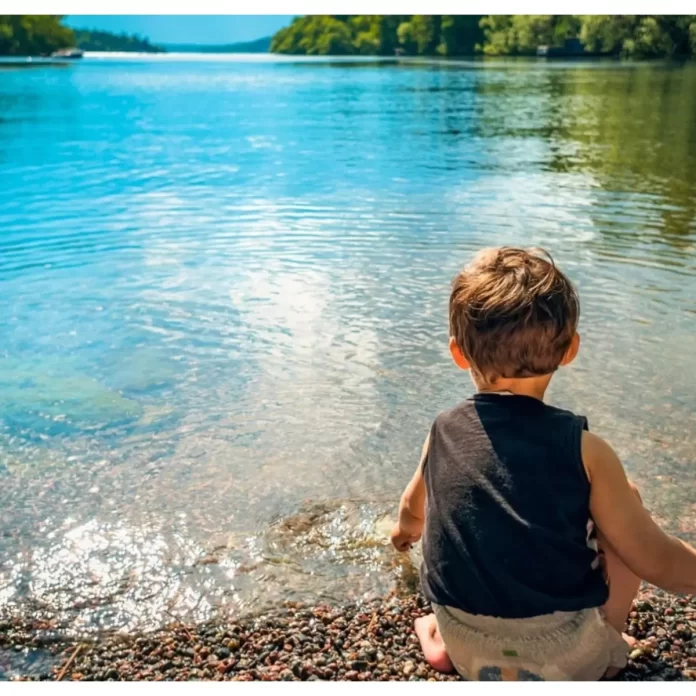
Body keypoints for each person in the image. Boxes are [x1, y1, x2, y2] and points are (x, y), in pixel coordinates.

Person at [390, 247, 696, 681]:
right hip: (567, 660)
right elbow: (656, 561)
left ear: (458, 353)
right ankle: (609, 644)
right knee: (626, 501)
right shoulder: (587, 450)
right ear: (570, 350)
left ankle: (437, 637)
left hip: (466, 648)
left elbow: (411, 513)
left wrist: (401, 539)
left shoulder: (442, 431)